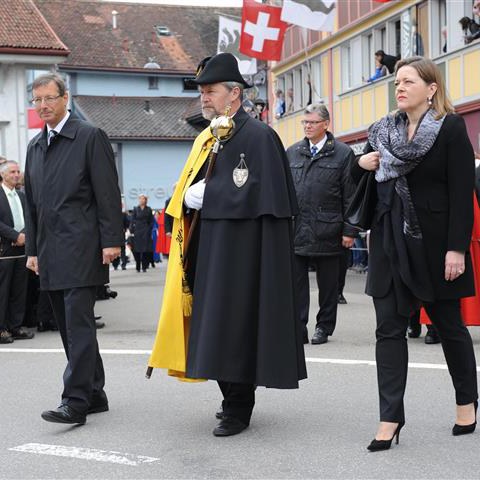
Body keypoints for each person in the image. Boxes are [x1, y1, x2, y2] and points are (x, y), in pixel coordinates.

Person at [147, 52, 306, 437]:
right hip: (207, 248)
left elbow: (263, 195)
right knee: (213, 326)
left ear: (234, 94)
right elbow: (191, 188)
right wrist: (186, 195)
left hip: (243, 254)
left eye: (210, 90)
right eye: (201, 90)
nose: (204, 97)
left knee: (236, 327)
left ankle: (239, 405)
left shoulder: (259, 136)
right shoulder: (208, 136)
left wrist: (212, 195)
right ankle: (229, 397)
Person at [351, 56, 478, 451]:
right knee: (388, 328)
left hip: (436, 244)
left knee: (449, 326)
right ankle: (390, 418)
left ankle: (466, 402)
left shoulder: (450, 128)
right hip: (389, 239)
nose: (399, 88)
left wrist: (457, 248)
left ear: (431, 88)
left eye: (408, 81)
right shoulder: (383, 130)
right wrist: (360, 161)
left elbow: (461, 192)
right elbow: (357, 179)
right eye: (396, 82)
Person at [24, 73, 123, 425]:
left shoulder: (88, 137)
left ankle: (75, 400)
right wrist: (32, 250)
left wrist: (112, 240)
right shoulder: (35, 146)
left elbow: (107, 193)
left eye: (49, 98)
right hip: (50, 252)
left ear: (65, 98)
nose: (43, 106)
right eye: (37, 100)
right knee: (67, 327)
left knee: (79, 325)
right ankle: (95, 393)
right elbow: (33, 205)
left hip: (83, 247)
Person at [287, 103, 357, 345]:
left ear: (326, 124)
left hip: (329, 228)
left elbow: (350, 194)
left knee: (328, 286)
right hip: (297, 229)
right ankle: (298, 327)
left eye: (312, 122)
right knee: (296, 285)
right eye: (305, 122)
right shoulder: (293, 152)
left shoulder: (342, 153)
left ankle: (324, 328)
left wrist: (350, 230)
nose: (307, 126)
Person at [0, 161, 34, 344]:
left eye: (18, 171)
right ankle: (1, 329)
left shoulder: (21, 196)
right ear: (3, 175)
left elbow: (29, 218)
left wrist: (24, 235)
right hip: (4, 250)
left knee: (19, 291)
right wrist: (14, 235)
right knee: (3, 291)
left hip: (22, 249)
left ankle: (15, 326)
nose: (16, 174)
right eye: (12, 172)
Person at [130, 194, 153, 272]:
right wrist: (131, 230)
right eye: (140, 199)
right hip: (137, 231)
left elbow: (151, 221)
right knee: (137, 249)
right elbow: (132, 220)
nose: (141, 200)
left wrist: (149, 229)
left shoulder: (149, 209)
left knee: (145, 250)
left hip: (146, 231)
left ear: (145, 200)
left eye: (143, 199)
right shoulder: (135, 209)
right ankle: (138, 266)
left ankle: (144, 266)